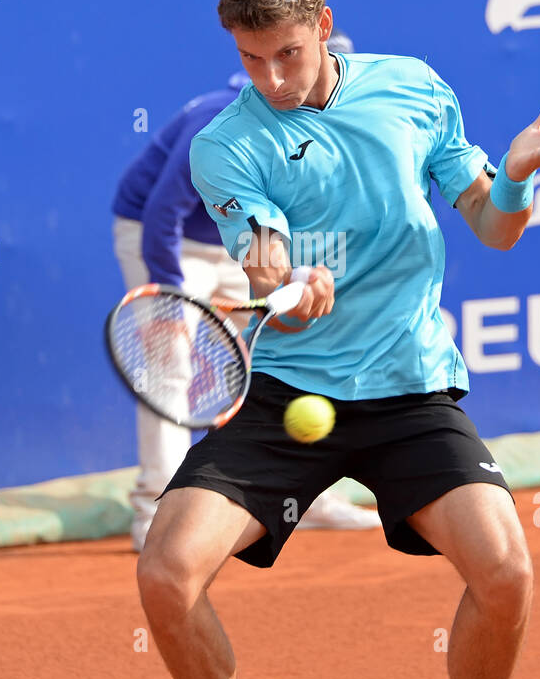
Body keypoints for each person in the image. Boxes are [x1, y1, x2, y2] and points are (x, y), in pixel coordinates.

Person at [136, 0, 540, 679]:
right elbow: (264, 259)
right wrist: (285, 286)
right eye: (252, 60)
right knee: (165, 574)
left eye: (287, 53)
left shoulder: (413, 90)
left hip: (410, 389)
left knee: (506, 571)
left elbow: (494, 226)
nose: (273, 79)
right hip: (285, 397)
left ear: (324, 24)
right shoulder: (226, 144)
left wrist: (512, 177)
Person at [111, 28, 379, 553]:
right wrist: (168, 296)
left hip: (239, 245)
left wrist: (302, 275)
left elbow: (306, 222)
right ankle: (156, 513)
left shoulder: (335, 141)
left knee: (286, 355)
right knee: (169, 367)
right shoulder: (218, 126)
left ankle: (307, 497)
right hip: (165, 240)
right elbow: (162, 213)